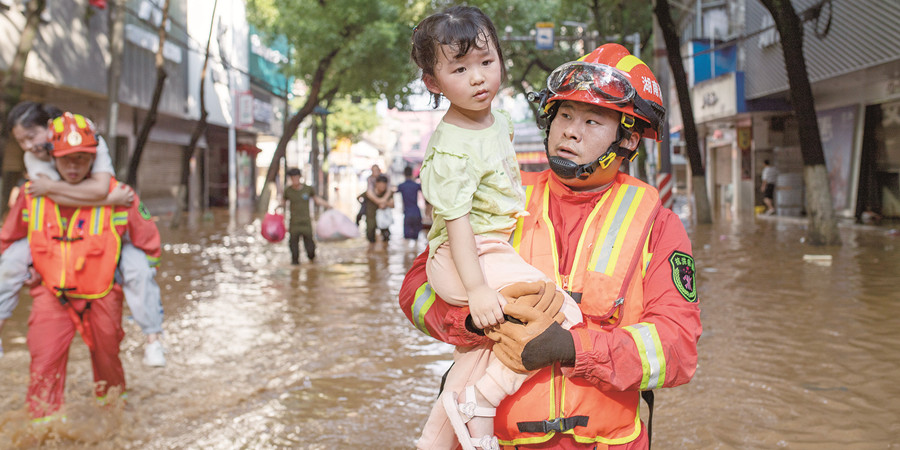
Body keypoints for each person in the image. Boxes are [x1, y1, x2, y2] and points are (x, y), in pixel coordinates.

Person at [399, 43, 702, 449]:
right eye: (564, 115)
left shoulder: (657, 225)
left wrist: (572, 347)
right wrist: (471, 320)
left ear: (628, 141)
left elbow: (677, 350)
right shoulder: (501, 195)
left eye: (593, 121)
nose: (570, 131)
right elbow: (416, 291)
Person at [410, 6, 582, 449]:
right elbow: (458, 225)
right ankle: (484, 401)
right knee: (561, 309)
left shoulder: (499, 122)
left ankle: (435, 439)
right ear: (433, 82)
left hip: (489, 249)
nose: (478, 78)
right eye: (460, 69)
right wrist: (479, 289)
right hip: (466, 256)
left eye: (486, 62)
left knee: (479, 350)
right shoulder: (451, 150)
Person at [0, 112, 161, 420]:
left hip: (103, 294)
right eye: (65, 159)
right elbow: (9, 240)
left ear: (94, 157)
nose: (73, 166)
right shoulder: (32, 194)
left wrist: (133, 276)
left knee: (108, 363)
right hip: (50, 294)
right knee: (43, 365)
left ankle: (113, 425)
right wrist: (26, 271)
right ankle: (43, 432)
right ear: (51, 156)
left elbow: (149, 245)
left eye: (82, 158)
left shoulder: (120, 195)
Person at [281, 167, 330, 265]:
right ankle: (295, 273)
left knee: (310, 249)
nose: (294, 180)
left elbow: (316, 200)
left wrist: (328, 205)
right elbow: (283, 203)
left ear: (300, 177)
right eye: (292, 178)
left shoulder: (308, 189)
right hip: (294, 224)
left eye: (296, 177)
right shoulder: (288, 191)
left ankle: (312, 266)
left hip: (306, 223)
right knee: (294, 251)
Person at [364, 174, 394, 245]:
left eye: (384, 185)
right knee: (370, 238)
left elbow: (393, 205)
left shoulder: (388, 192)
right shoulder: (369, 192)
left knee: (386, 239)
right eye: (380, 185)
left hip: (383, 220)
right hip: (371, 218)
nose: (382, 187)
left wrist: (385, 203)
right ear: (376, 184)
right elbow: (359, 197)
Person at [396, 166, 423, 244]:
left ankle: (407, 256)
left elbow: (393, 192)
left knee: (407, 239)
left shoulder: (401, 186)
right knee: (416, 238)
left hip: (407, 213)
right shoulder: (416, 185)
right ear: (412, 173)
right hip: (416, 212)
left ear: (404, 174)